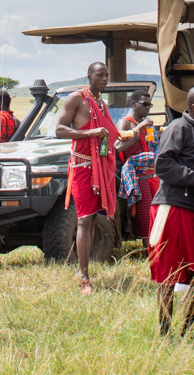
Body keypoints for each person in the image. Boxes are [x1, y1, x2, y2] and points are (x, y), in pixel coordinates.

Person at [54, 60, 141, 294]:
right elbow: (59, 129)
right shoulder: (76, 99)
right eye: (100, 75)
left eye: (107, 76)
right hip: (83, 167)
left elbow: (110, 141)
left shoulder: (101, 104)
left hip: (100, 167)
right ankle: (84, 277)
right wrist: (89, 132)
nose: (105, 79)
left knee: (92, 219)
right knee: (83, 219)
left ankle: (81, 269)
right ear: (89, 76)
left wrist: (135, 134)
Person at [150, 84, 194, 337]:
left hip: (193, 211)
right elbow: (163, 166)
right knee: (168, 274)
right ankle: (165, 332)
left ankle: (184, 331)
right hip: (171, 208)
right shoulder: (178, 128)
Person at [116, 88, 158, 242]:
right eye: (144, 104)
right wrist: (139, 129)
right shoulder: (125, 122)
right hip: (139, 177)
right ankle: (151, 254)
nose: (147, 108)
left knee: (157, 216)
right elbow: (117, 147)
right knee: (146, 220)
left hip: (152, 175)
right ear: (133, 104)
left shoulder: (146, 125)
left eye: (149, 105)